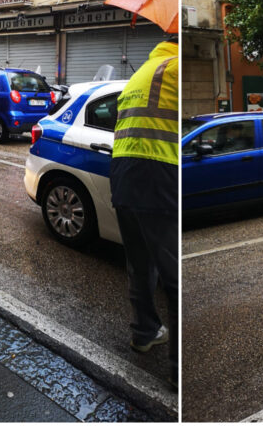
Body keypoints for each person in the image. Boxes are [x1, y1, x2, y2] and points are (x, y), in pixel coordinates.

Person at [109, 37, 178, 385]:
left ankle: (144, 333)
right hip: (159, 175)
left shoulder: (140, 74)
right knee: (174, 275)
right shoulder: (177, 69)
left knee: (139, 263)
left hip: (122, 176)